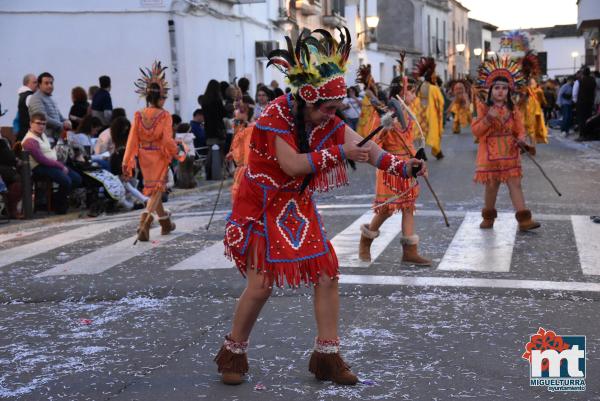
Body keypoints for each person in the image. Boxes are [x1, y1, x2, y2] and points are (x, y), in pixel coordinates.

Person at [215, 27, 426, 386]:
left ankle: (327, 356)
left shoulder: (326, 120)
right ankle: (233, 352)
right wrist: (341, 153)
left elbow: (367, 147)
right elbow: (293, 165)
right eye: (328, 109)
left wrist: (402, 166)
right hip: (262, 204)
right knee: (262, 284)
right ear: (306, 101)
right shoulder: (275, 116)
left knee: (327, 275)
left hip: (296, 205)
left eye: (336, 109)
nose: (333, 116)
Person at [359, 65, 431, 266]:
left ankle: (410, 251)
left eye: (413, 91)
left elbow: (410, 141)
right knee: (386, 210)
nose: (413, 95)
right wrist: (384, 126)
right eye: (410, 91)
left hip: (408, 167)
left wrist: (419, 158)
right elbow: (373, 143)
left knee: (408, 207)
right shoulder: (384, 114)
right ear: (400, 94)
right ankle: (366, 240)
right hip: (389, 167)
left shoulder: (408, 113)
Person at [472, 57, 540, 232]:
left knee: (515, 185)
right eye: (497, 88)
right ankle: (488, 218)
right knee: (492, 187)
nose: (500, 92)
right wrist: (488, 118)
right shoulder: (482, 108)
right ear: (490, 90)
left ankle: (524, 220)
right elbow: (476, 131)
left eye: (504, 88)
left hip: (511, 153)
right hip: (490, 155)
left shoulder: (514, 109)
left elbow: (520, 129)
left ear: (508, 91)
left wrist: (522, 140)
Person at [123, 61, 182, 242]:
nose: (165, 100)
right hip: (159, 156)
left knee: (155, 190)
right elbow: (166, 139)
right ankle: (145, 221)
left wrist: (127, 160)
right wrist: (177, 152)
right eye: (163, 96)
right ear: (159, 98)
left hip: (143, 156)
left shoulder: (138, 114)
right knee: (157, 191)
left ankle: (165, 223)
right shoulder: (164, 115)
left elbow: (132, 138)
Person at [22, 112, 82, 214]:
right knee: (66, 180)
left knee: (77, 179)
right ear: (31, 124)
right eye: (38, 123)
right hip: (39, 167)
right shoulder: (29, 140)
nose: (41, 126)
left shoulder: (43, 135)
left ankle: (56, 200)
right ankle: (60, 207)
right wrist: (60, 165)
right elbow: (41, 159)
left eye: (44, 124)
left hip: (52, 164)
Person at [413, 57, 445, 159]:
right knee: (432, 132)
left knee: (420, 133)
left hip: (419, 112)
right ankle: (437, 152)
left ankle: (422, 152)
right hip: (430, 114)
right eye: (434, 76)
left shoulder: (421, 85)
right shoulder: (433, 88)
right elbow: (441, 101)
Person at [28, 72, 72, 142]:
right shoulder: (36, 98)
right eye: (46, 83)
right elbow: (43, 119)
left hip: (53, 138)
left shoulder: (50, 99)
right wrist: (62, 125)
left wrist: (68, 121)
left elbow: (60, 118)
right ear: (39, 85)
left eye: (51, 83)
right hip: (43, 139)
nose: (49, 86)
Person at [355, 64, 382, 138]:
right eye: (372, 81)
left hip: (369, 116)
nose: (374, 83)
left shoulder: (369, 91)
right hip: (369, 117)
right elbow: (376, 102)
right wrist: (382, 105)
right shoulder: (368, 92)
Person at [0, 137, 23, 218]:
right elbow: (9, 157)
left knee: (18, 177)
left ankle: (9, 209)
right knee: (18, 177)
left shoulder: (4, 141)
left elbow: (8, 156)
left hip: (5, 168)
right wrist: (16, 160)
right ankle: (11, 210)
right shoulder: (2, 142)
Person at [575, 67, 597, 141]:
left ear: (582, 73)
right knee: (588, 118)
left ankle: (582, 135)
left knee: (581, 119)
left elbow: (575, 93)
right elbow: (594, 92)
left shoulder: (579, 81)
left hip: (581, 102)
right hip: (590, 102)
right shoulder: (593, 80)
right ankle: (588, 134)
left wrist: (575, 101)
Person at [16, 73, 37, 141]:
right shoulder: (30, 96)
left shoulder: (22, 95)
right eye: (34, 82)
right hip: (29, 135)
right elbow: (37, 116)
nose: (37, 84)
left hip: (23, 133)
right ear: (27, 83)